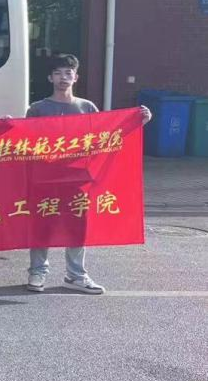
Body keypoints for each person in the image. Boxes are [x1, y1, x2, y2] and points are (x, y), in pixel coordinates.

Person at [24, 54, 152, 294]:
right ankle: (37, 272)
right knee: (43, 224)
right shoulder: (38, 109)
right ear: (50, 78)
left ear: (76, 77)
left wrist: (137, 123)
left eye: (68, 73)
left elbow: (106, 137)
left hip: (78, 178)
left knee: (77, 226)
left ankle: (75, 275)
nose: (63, 78)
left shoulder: (87, 107)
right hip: (45, 178)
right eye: (58, 73)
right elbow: (24, 141)